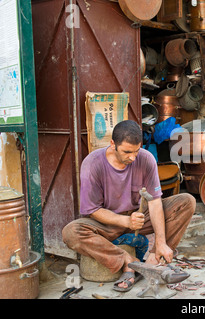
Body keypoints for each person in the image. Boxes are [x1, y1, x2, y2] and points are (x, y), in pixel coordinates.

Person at [62, 120, 196, 291]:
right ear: (113, 144)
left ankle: (154, 260)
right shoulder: (93, 164)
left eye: (136, 151)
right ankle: (128, 261)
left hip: (138, 219)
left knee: (186, 202)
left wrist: (161, 242)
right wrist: (126, 222)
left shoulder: (146, 159)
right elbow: (92, 210)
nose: (132, 157)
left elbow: (155, 203)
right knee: (71, 232)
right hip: (107, 223)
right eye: (126, 152)